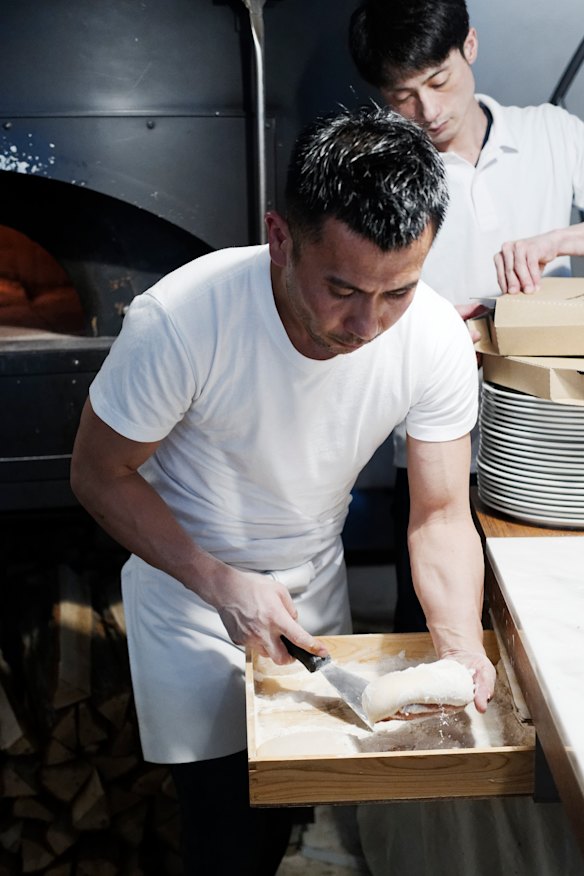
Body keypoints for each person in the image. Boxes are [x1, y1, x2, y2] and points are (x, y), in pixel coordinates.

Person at [70, 105, 495, 876]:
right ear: (279, 236)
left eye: (396, 291)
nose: (368, 325)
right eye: (342, 289)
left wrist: (459, 641)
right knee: (227, 834)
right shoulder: (183, 319)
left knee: (296, 815)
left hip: (314, 596)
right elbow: (97, 473)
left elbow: (438, 518)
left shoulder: (431, 336)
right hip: (196, 595)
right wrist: (219, 584)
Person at [349, 0, 584, 633]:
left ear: (470, 47)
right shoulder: (378, 173)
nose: (427, 112)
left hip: (551, 445)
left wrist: (561, 241)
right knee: (434, 626)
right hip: (430, 451)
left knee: (549, 622)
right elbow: (345, 305)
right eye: (402, 96)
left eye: (439, 82)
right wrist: (418, 321)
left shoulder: (552, 133)